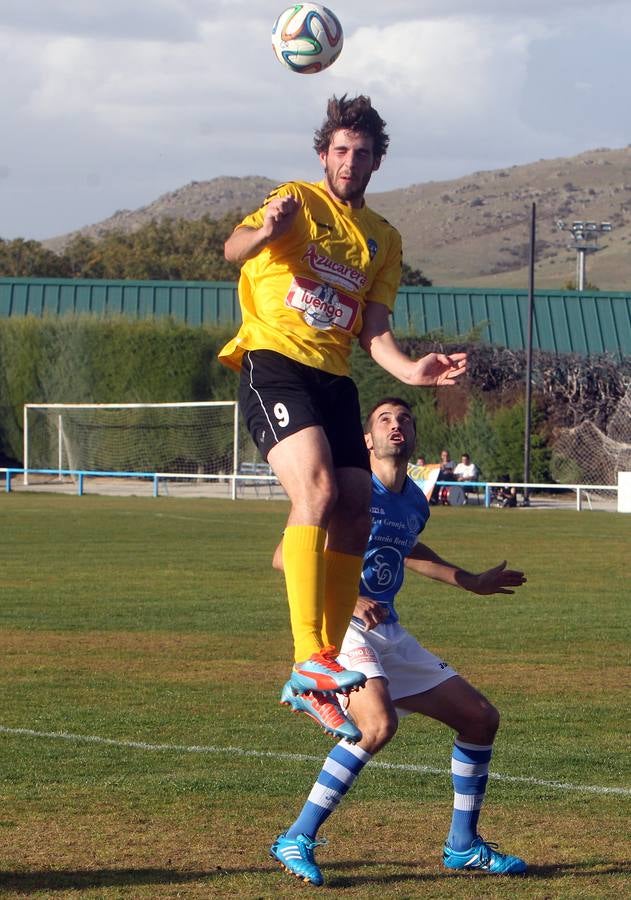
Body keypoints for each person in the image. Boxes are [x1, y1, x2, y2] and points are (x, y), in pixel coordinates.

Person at [220, 95, 467, 739]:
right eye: (339, 150)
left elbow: (374, 329)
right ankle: (307, 657)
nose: (349, 161)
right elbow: (233, 247)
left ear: (376, 161)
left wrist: (413, 371)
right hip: (274, 360)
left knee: (357, 505)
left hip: (333, 376)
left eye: (362, 152)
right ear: (324, 154)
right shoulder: (296, 200)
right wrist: (266, 232)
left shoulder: (383, 239)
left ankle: (326, 657)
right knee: (320, 491)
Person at [270, 398, 527, 885]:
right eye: (384, 419)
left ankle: (463, 846)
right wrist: (348, 600)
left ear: (414, 437)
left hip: (387, 630)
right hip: (340, 626)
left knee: (479, 718)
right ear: (366, 439)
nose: (396, 425)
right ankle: (295, 837)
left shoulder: (414, 499)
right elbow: (286, 556)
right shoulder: (347, 492)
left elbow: (408, 548)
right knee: (376, 724)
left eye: (405, 419)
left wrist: (467, 579)